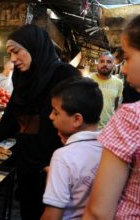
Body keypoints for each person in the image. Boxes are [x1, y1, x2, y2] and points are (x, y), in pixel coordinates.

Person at [0, 24, 81, 219]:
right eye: (10, 53)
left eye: (16, 51)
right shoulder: (22, 80)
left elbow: (78, 124)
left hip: (56, 171)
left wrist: (63, 164)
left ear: (33, 47)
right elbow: (7, 125)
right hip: (28, 169)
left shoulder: (64, 75)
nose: (12, 59)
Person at [83, 14, 140, 220]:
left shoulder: (132, 116)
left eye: (127, 57)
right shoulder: (89, 80)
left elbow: (98, 212)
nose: (123, 68)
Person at [41, 77, 103, 220]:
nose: (50, 116)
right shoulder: (109, 149)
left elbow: (52, 216)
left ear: (77, 119)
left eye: (56, 112)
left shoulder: (63, 157)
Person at [88, 52, 123, 129]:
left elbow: (116, 106)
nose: (105, 64)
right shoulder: (88, 80)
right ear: (97, 64)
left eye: (109, 62)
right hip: (89, 127)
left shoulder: (119, 83)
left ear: (113, 65)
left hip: (108, 128)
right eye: (102, 61)